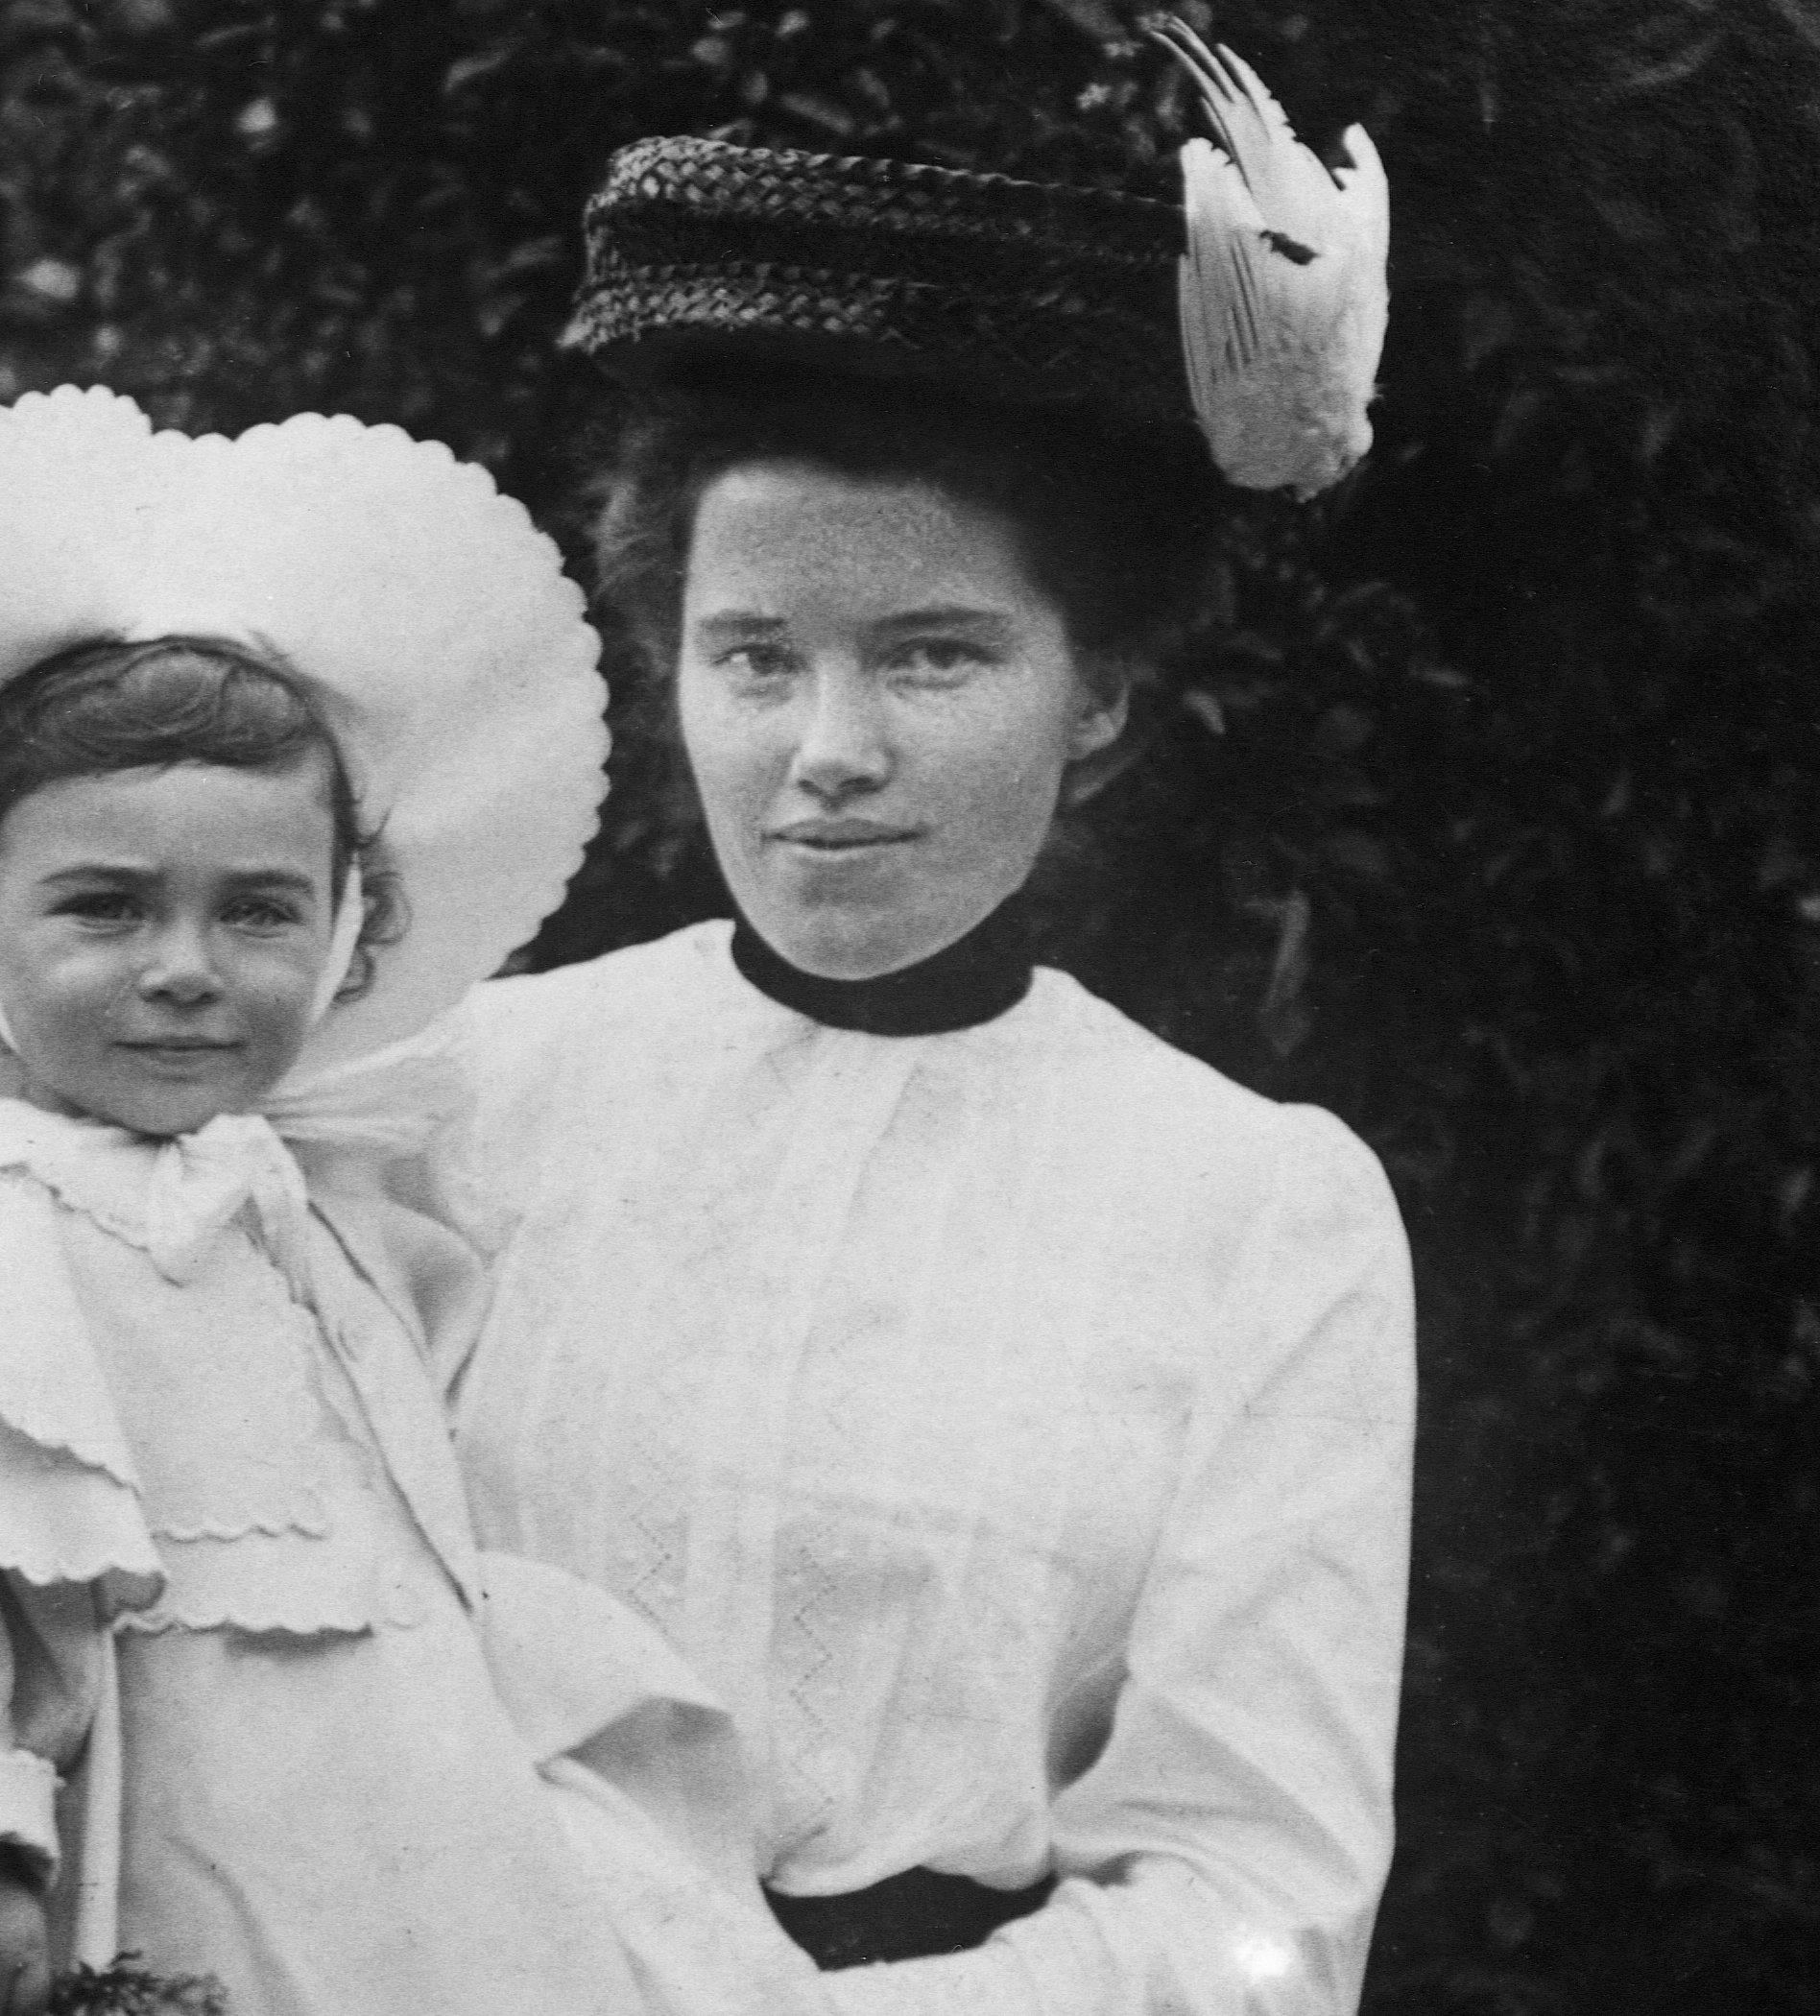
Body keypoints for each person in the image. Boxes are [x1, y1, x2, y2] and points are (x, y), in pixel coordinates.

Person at [441, 26, 1412, 2016]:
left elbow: (1260, 1905)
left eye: (934, 656)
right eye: (753, 658)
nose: (829, 754)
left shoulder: (1252, 1212)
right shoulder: (457, 1103)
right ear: (669, 675)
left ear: (1104, 697)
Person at [0, 390, 828, 2016]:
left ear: (351, 928)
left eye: (259, 911)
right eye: (105, 908)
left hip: (396, 1835)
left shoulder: (304, 1198)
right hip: (172, 1844)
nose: (186, 973)